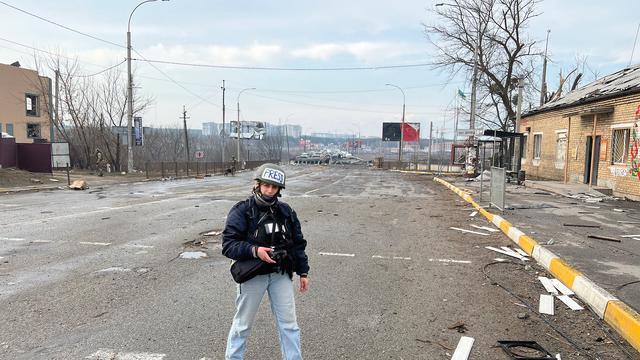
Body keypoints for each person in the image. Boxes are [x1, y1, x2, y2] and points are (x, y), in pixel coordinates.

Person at [222, 163, 310, 360]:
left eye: (274, 187)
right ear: (258, 184)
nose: (269, 190)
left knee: (289, 325)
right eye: (266, 185)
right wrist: (254, 250)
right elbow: (228, 245)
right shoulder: (242, 211)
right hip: (253, 274)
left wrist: (303, 272)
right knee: (242, 325)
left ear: (279, 189)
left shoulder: (286, 212)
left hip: (280, 274)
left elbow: (297, 244)